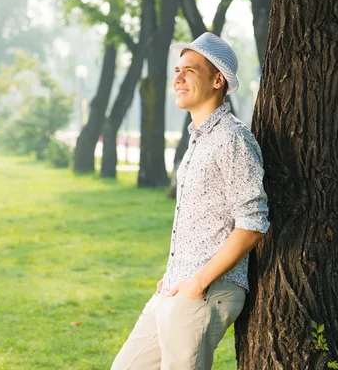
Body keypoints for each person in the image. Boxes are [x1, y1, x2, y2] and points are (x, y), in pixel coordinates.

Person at [110, 32, 270, 370]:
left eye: (190, 70)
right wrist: (175, 276)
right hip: (175, 287)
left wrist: (197, 283)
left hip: (206, 290)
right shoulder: (198, 138)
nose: (178, 78)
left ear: (217, 80)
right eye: (177, 70)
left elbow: (253, 225)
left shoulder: (232, 138)